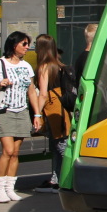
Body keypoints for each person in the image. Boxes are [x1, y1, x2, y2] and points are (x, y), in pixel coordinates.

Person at [0, 31, 40, 203]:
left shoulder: (26, 66)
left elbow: (32, 91)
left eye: (28, 44)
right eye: (24, 44)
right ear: (14, 45)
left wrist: (37, 114)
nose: (27, 47)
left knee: (16, 152)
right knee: (8, 150)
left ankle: (10, 188)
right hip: (5, 111)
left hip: (22, 111)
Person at [33, 34, 70, 193]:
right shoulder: (59, 64)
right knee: (58, 144)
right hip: (63, 107)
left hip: (52, 106)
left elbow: (42, 93)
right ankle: (56, 179)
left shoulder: (44, 67)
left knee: (60, 145)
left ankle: (67, 178)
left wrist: (38, 114)